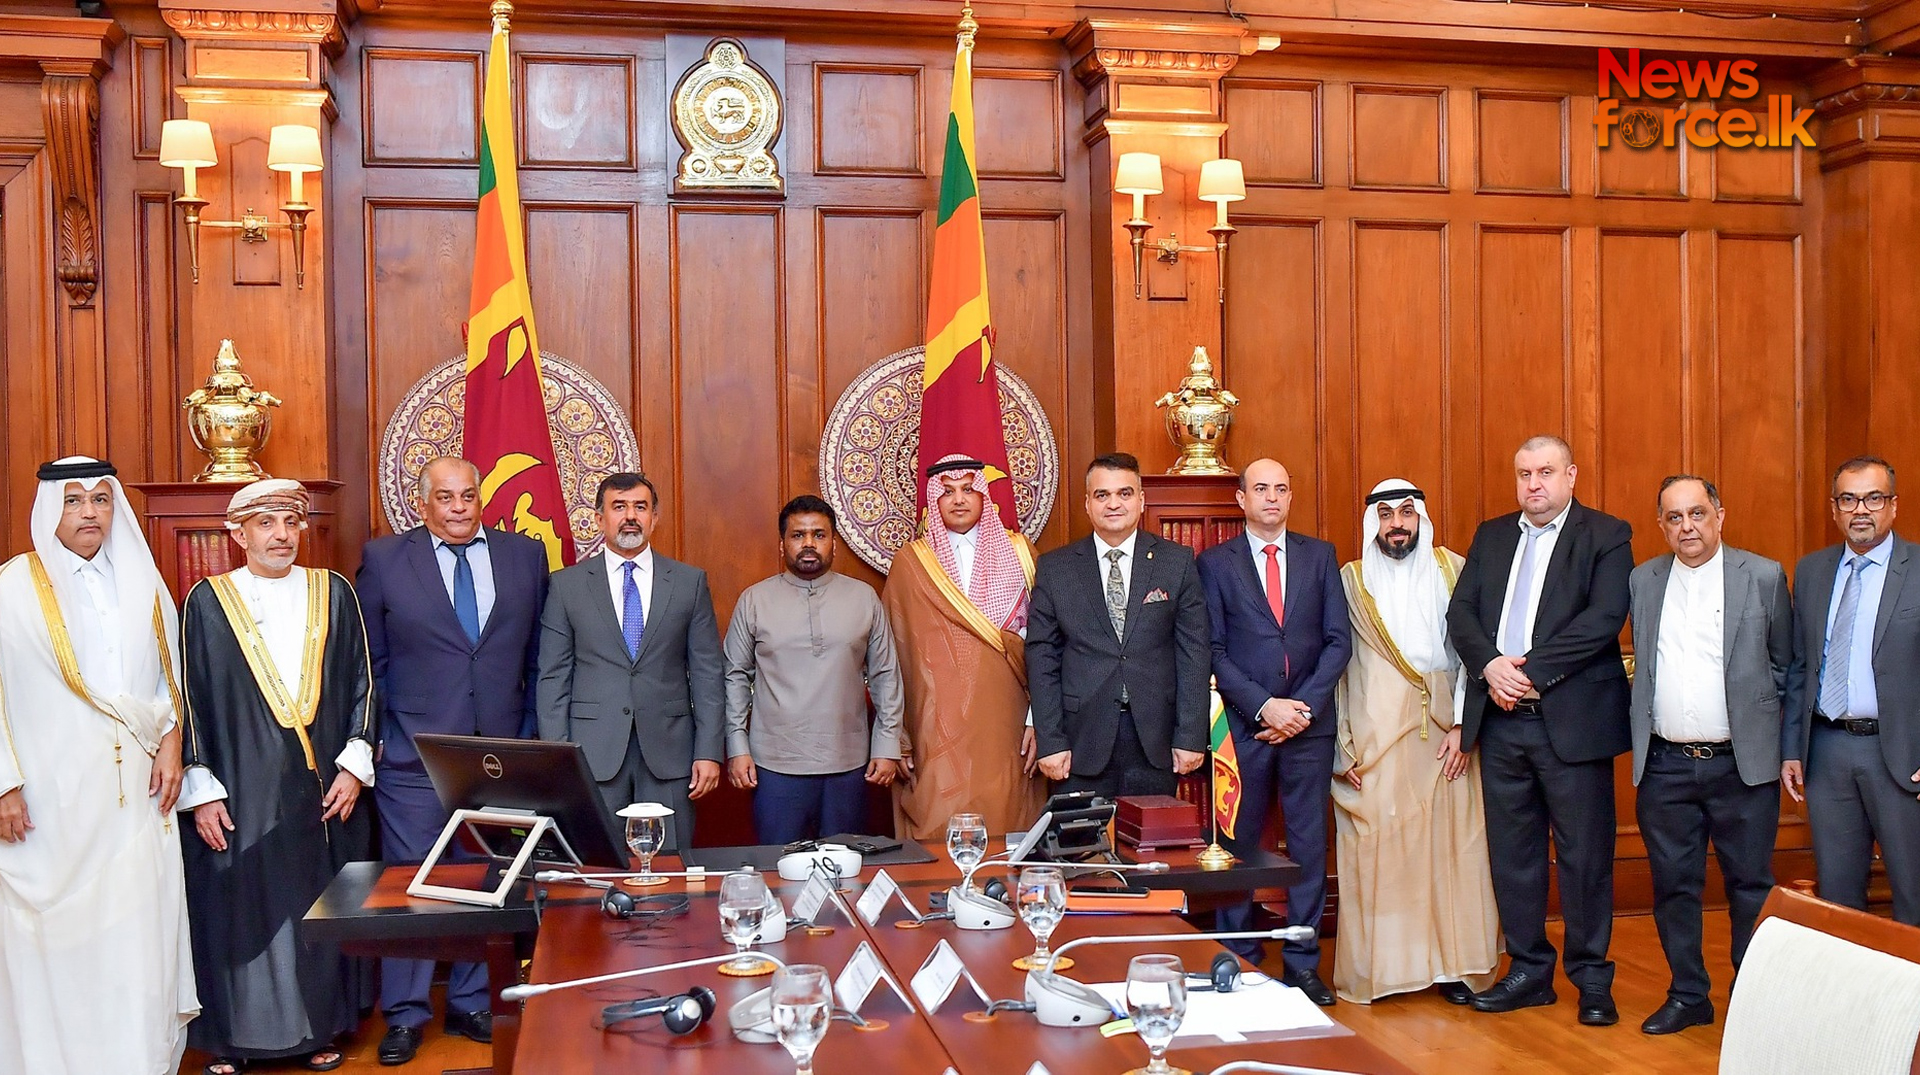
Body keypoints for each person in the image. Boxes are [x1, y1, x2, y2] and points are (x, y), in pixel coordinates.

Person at [0, 456, 198, 1073]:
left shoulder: (144, 584)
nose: (90, 512)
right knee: (55, 939)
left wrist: (172, 743)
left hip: (136, 796)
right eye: (74, 500)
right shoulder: (11, 588)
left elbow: (169, 682)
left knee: (135, 933)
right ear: (49, 508)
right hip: (47, 801)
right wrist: (4, 785)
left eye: (101, 500)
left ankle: (134, 1062)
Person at [355, 456, 550, 1065]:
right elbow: (371, 658)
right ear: (423, 504)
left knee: (484, 879)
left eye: (468, 495)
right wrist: (377, 735)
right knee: (411, 881)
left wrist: (526, 737)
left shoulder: (525, 556)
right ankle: (406, 1014)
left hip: (497, 752)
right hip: (413, 752)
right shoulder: (385, 559)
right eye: (446, 497)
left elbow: (538, 657)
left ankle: (472, 1002)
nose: (460, 507)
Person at [177, 480, 376, 1072]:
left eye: (290, 522)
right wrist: (200, 786)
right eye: (265, 524)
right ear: (239, 534)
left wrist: (355, 763)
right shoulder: (207, 600)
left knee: (319, 904)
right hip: (239, 791)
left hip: (323, 790)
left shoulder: (333, 591)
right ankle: (236, 1042)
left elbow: (363, 681)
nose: (281, 536)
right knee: (241, 908)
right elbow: (189, 697)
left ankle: (320, 1031)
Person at [1448, 434, 1632, 1026]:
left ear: (1570, 475)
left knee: (1585, 859)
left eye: (1546, 472)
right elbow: (1460, 614)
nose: (1534, 484)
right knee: (1514, 856)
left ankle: (1592, 979)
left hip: (1572, 725)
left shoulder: (1606, 535)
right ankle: (1529, 971)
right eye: (1524, 473)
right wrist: (1490, 665)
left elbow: (1603, 619)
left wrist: (1531, 673)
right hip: (1502, 723)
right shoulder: (1492, 535)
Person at [1629, 475, 1791, 1035]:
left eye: (1697, 513)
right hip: (1666, 765)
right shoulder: (1644, 580)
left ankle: (1752, 1003)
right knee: (1674, 886)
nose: (1687, 527)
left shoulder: (1763, 576)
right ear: (1661, 525)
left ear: (1719, 515)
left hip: (1740, 764)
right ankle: (1688, 995)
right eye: (1674, 517)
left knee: (1750, 885)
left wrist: (1760, 727)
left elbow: (1784, 664)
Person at [1330, 478, 1499, 1006]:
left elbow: (1476, 655)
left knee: (1453, 851)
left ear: (1421, 519)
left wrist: (1465, 728)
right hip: (1374, 735)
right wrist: (1342, 746)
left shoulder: (1453, 569)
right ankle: (1386, 971)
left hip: (1447, 735)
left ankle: (1455, 967)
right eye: (1386, 515)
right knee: (1382, 850)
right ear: (1373, 524)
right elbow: (1334, 667)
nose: (1397, 524)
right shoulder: (1350, 581)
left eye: (1406, 513)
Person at [1194, 458, 1350, 1003]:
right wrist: (1265, 707)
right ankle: (1239, 956)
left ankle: (1303, 963)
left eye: (1281, 489)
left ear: (1290, 497)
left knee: (1308, 847)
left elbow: (1338, 641)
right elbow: (1212, 649)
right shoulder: (1215, 564)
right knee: (1236, 844)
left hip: (1308, 729)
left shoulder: (1320, 555)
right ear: (1241, 499)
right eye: (1260, 488)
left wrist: (1299, 710)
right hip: (1243, 729)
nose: (1272, 498)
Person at [537, 473, 724, 847]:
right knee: (597, 864)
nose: (630, 517)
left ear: (655, 517)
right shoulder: (566, 585)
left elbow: (707, 673)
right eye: (619, 507)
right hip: (592, 754)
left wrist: (708, 751)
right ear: (599, 518)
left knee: (668, 862)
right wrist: (558, 758)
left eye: (640, 507)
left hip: (669, 753)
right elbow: (553, 677)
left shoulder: (688, 582)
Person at [1783, 456, 1920, 926]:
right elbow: (1800, 665)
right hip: (1827, 751)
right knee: (1839, 898)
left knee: (1913, 891)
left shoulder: (1917, 568)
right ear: (1834, 509)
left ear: (1893, 506)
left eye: (1873, 498)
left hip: (1901, 754)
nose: (1861, 509)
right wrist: (1792, 748)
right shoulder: (1813, 571)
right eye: (1849, 499)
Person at [724, 496, 905, 844]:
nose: (809, 544)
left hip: (849, 764)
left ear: (834, 543)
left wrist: (886, 745)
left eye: (819, 535)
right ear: (782, 545)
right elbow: (734, 676)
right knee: (777, 866)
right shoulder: (754, 600)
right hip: (774, 764)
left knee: (845, 865)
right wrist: (737, 746)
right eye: (798, 535)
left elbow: (886, 675)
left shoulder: (863, 597)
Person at [1028, 452, 1209, 799]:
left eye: (1124, 493)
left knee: (1154, 835)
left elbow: (1194, 654)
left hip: (1156, 740)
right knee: (1083, 835)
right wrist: (1050, 741)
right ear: (1087, 504)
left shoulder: (1177, 562)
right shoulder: (1056, 569)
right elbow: (1042, 657)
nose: (1114, 504)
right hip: (1080, 742)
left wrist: (1190, 735)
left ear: (1141, 500)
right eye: (1102, 495)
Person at [885, 455, 1045, 840]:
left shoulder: (1021, 553)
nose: (958, 499)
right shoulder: (911, 563)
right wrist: (899, 738)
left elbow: (1047, 647)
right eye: (947, 491)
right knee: (940, 821)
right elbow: (892, 656)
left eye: (969, 489)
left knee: (1008, 815)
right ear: (933, 500)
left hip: (1008, 719)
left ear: (984, 496)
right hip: (934, 722)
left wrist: (1039, 722)